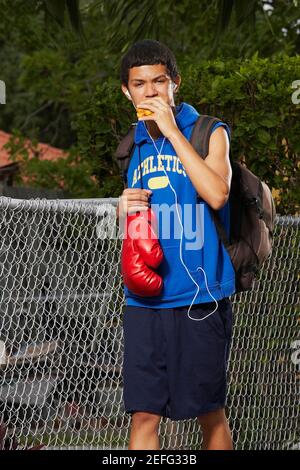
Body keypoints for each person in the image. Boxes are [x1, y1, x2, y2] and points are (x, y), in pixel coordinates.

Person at [116, 39, 235, 450]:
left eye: (159, 81)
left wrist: (170, 130)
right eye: (139, 84)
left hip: (199, 298)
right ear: (126, 92)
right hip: (144, 301)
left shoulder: (208, 130)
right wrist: (120, 207)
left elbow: (217, 194)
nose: (150, 92)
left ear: (175, 84)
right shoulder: (133, 143)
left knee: (209, 412)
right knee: (144, 413)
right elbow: (140, 220)